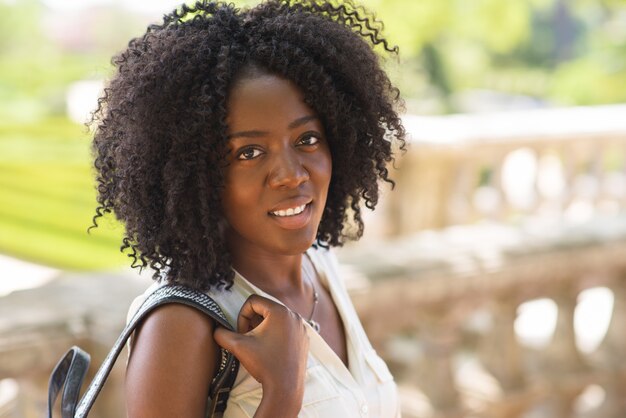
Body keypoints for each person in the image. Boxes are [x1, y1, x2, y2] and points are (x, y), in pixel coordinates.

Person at [90, 0, 406, 416]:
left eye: (307, 139)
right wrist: (281, 392)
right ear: (196, 175)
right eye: (250, 152)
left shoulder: (321, 266)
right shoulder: (181, 325)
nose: (291, 175)